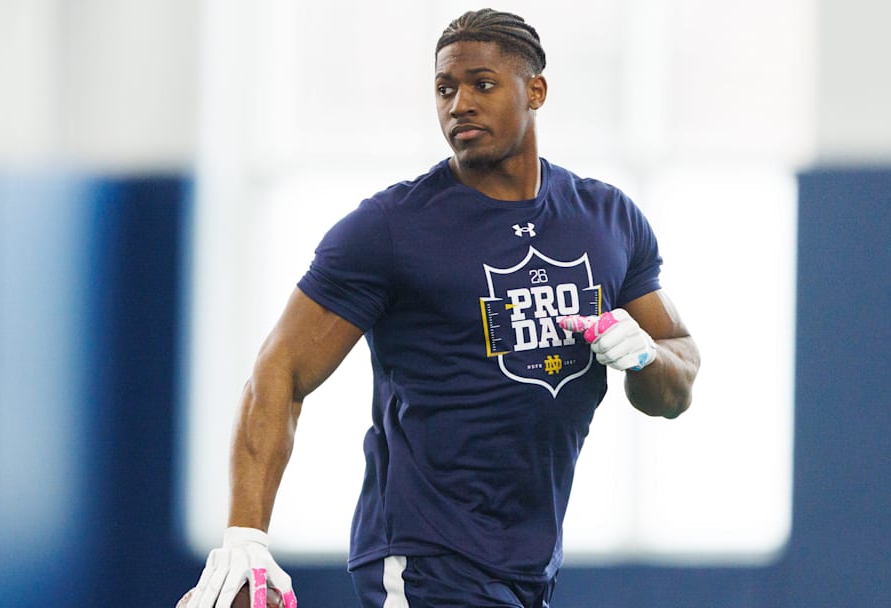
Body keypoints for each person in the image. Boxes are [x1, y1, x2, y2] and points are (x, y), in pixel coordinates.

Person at [187, 8, 700, 608]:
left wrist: (644, 357)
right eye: (444, 88)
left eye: (482, 84)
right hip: (427, 555)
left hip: (529, 561)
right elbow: (278, 371)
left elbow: (676, 383)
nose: (459, 104)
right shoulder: (389, 229)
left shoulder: (607, 220)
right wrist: (246, 534)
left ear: (535, 91)